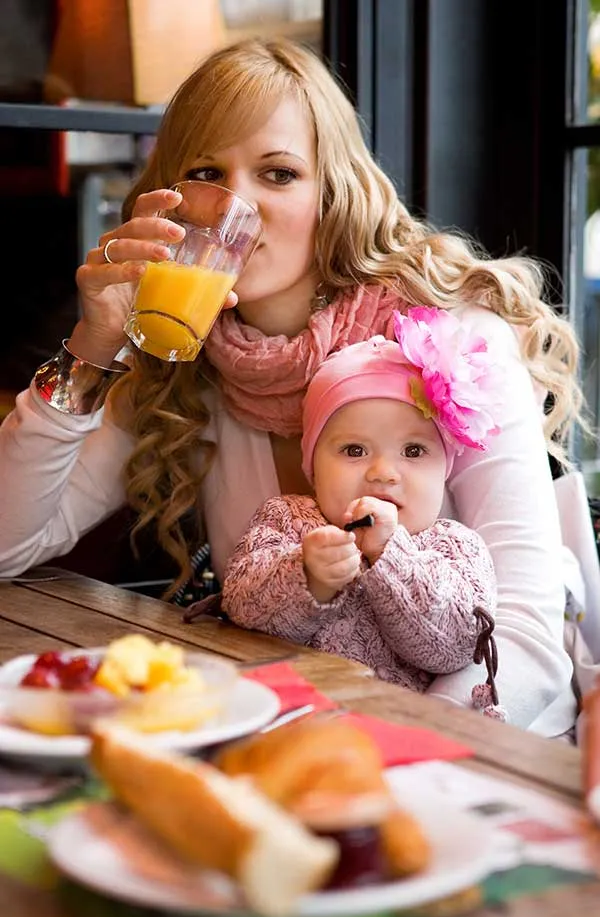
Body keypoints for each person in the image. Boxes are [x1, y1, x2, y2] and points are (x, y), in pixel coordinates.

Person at [0, 38, 584, 735]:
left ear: (331, 192)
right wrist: (93, 348)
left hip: (485, 741)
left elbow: (524, 637)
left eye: (278, 173)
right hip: (289, 731)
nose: (237, 205)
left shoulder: (451, 337)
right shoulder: (185, 359)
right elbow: (7, 545)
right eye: (207, 173)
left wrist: (383, 748)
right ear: (171, 203)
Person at [221, 312, 505, 717]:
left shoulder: (455, 547)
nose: (383, 473)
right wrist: (308, 576)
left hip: (399, 729)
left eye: (413, 451)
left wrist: (392, 556)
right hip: (288, 720)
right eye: (354, 450)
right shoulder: (286, 520)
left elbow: (458, 646)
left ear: (444, 470)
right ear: (313, 466)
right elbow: (240, 605)